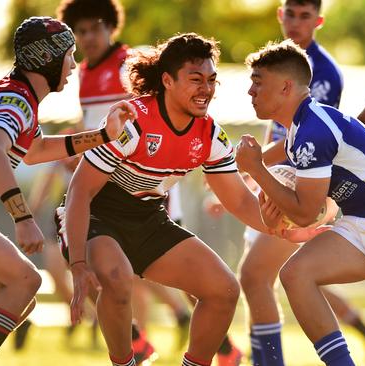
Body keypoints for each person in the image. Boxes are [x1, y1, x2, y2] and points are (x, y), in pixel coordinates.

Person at [58, 33, 298, 366]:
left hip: (148, 218)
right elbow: (80, 190)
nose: (206, 88)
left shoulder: (210, 134)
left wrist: (284, 227)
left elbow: (240, 202)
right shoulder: (133, 120)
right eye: (195, 79)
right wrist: (78, 264)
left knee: (224, 290)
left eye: (212, 80)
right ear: (167, 81)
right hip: (98, 215)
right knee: (117, 279)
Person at [236, 39, 365, 366]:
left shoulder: (313, 131)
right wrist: (274, 216)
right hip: (361, 222)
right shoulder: (297, 131)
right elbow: (295, 215)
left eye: (258, 82)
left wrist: (256, 171)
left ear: (286, 87)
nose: (251, 91)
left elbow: (304, 212)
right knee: (296, 274)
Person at [0, 16, 132, 366]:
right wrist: (24, 218)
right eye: (69, 54)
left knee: (19, 296)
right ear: (47, 57)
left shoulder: (16, 99)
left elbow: (36, 151)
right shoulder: (15, 98)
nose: (74, 65)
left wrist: (105, 135)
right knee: (25, 281)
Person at [239, 1, 365, 364]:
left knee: (257, 276)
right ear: (279, 15)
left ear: (318, 21)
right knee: (264, 278)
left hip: (303, 182)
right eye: (291, 14)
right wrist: (247, 171)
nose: (296, 22)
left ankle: (268, 362)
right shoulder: (275, 64)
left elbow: (304, 141)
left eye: (305, 16)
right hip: (275, 175)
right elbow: (279, 133)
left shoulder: (320, 72)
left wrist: (251, 169)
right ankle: (362, 331)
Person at [57, 0, 193, 360]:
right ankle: (139, 339)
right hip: (105, 186)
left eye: (95, 27)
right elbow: (97, 128)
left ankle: (208, 338)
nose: (88, 36)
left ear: (111, 26)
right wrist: (80, 149)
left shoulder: (129, 64)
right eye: (81, 30)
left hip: (146, 185)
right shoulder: (82, 72)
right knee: (107, 269)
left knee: (170, 274)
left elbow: (154, 122)